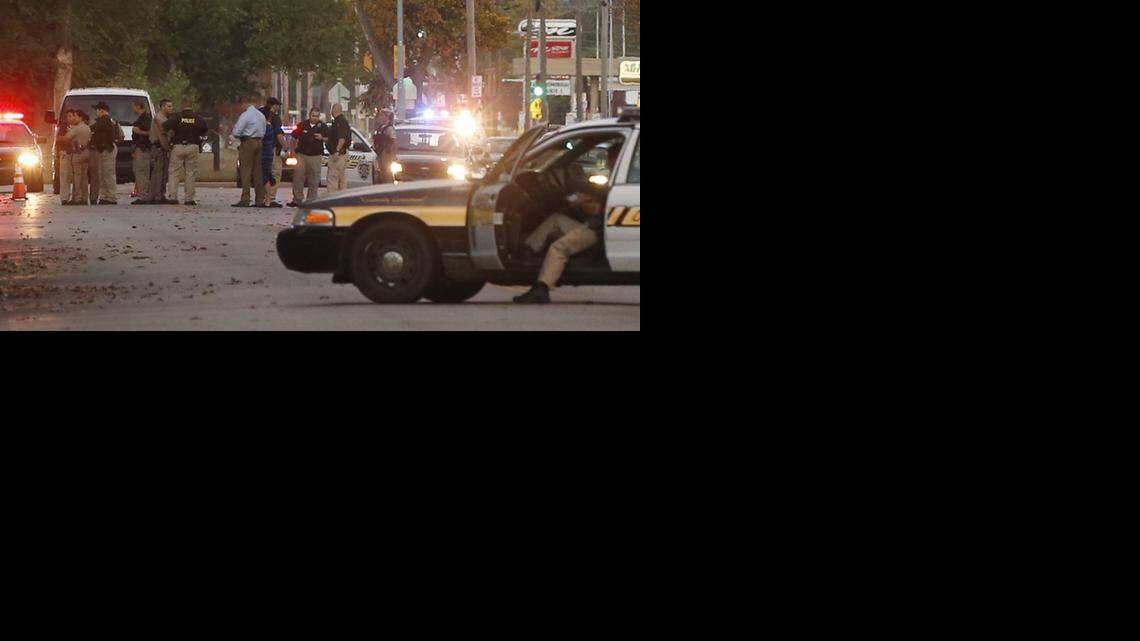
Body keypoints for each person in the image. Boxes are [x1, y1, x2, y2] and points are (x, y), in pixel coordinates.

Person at [163, 99, 208, 206]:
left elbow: (164, 126)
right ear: (191, 106)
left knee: (174, 172)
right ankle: (189, 199)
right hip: (193, 146)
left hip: (178, 146)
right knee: (190, 173)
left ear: (182, 106)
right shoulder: (198, 118)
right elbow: (204, 130)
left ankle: (173, 197)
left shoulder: (177, 117)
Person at [231, 96, 267, 207]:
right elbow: (264, 130)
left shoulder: (245, 115)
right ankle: (259, 199)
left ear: (245, 103)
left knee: (245, 171)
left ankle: (245, 199)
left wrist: (240, 136)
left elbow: (236, 131)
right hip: (259, 142)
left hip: (248, 142)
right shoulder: (261, 116)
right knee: (258, 172)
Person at [288, 108, 327, 206]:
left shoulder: (323, 126)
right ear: (309, 115)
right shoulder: (302, 125)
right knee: (298, 178)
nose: (315, 118)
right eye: (313, 115)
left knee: (314, 179)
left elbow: (329, 139)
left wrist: (322, 138)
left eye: (317, 116)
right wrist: (292, 152)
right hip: (301, 155)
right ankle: (297, 200)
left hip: (315, 156)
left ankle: (311, 201)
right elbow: (293, 138)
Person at [90, 101, 122, 205]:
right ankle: (105, 196)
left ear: (102, 110)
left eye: (97, 110)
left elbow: (93, 128)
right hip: (105, 149)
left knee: (108, 174)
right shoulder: (111, 120)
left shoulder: (105, 120)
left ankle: (111, 197)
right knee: (103, 174)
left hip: (108, 149)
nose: (96, 112)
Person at [259, 97, 286, 207]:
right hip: (272, 149)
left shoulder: (259, 114)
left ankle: (261, 197)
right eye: (277, 106)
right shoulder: (274, 118)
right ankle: (271, 197)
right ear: (273, 106)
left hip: (259, 147)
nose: (277, 108)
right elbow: (279, 135)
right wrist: (286, 147)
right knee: (275, 172)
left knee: (262, 173)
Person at [147, 99, 175, 205]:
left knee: (159, 172)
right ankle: (158, 196)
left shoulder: (164, 118)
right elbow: (162, 135)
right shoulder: (159, 118)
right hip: (159, 147)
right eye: (168, 106)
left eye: (171, 106)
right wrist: (166, 148)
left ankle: (155, 195)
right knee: (159, 172)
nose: (171, 108)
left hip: (159, 147)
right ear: (162, 107)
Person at [61, 110, 92, 206]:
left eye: (76, 116)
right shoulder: (87, 128)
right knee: (84, 177)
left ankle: (77, 198)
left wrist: (60, 138)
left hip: (78, 153)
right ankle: (84, 198)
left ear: (80, 117)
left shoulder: (77, 128)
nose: (75, 118)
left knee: (76, 176)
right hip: (86, 152)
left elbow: (67, 138)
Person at [129, 100, 152, 205]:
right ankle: (143, 195)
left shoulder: (146, 118)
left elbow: (150, 133)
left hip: (143, 149)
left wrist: (139, 132)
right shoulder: (141, 118)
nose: (132, 108)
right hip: (138, 149)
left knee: (142, 172)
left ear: (138, 106)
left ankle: (144, 196)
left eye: (133, 106)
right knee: (139, 172)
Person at [325, 103, 351, 192]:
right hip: (340, 153)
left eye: (332, 109)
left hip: (338, 154)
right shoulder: (338, 121)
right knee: (341, 178)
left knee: (333, 177)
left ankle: (332, 198)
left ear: (334, 110)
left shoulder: (340, 122)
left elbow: (342, 138)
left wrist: (337, 150)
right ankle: (343, 198)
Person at [372, 109, 397, 184]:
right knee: (382, 173)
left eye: (382, 115)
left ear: (387, 116)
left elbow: (394, 142)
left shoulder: (389, 128)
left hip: (386, 153)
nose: (380, 117)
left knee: (387, 173)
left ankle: (389, 190)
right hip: (380, 152)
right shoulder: (381, 127)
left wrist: (393, 155)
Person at [56, 109, 74, 205]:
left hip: (75, 154)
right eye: (68, 116)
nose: (69, 118)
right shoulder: (63, 127)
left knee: (75, 177)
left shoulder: (77, 126)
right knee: (64, 176)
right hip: (65, 153)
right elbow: (58, 139)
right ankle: (64, 198)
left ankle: (75, 197)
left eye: (71, 116)